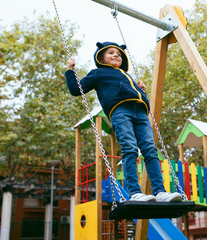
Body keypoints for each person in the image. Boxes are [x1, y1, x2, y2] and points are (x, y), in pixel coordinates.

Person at [65, 41, 182, 202]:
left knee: (150, 149)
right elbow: (76, 89)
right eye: (111, 53)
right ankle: (135, 192)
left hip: (140, 112)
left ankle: (160, 192)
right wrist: (70, 70)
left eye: (119, 54)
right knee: (130, 148)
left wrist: (141, 91)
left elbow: (135, 94)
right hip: (120, 111)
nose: (116, 55)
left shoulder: (127, 76)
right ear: (101, 57)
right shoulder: (98, 74)